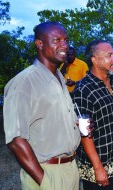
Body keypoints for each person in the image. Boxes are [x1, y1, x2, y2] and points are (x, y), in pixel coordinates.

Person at [3, 21, 81, 189]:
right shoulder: (23, 83)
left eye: (66, 40)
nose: (64, 45)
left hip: (70, 168)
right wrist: (45, 181)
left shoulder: (60, 78)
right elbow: (15, 140)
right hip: (46, 172)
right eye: (57, 40)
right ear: (39, 44)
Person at [71, 39, 113, 190]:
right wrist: (98, 168)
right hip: (98, 167)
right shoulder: (83, 90)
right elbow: (84, 133)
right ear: (94, 60)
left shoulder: (112, 85)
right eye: (109, 55)